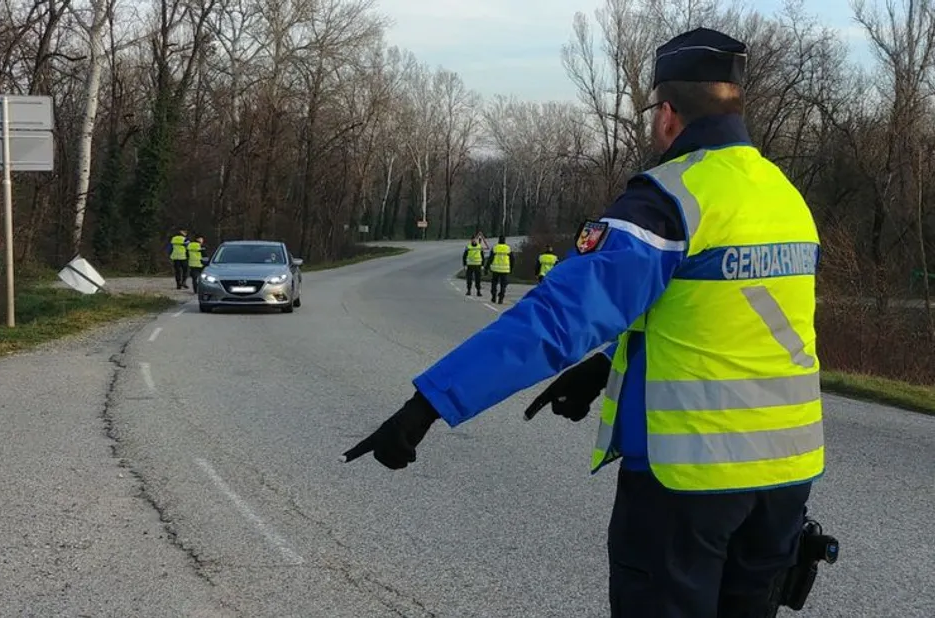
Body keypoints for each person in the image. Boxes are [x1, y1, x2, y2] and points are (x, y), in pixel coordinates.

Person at [343, 27, 823, 618]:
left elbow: (557, 319)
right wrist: (605, 366)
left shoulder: (671, 198)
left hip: (689, 483)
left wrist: (428, 405)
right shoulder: (784, 196)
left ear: (667, 115)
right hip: (786, 479)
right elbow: (724, 318)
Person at [487, 236, 514, 304]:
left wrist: (486, 267)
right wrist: (511, 268)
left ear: (498, 240)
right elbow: (512, 259)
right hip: (505, 270)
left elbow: (490, 259)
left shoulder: (495, 248)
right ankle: (501, 299)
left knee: (494, 283)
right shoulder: (508, 248)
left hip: (495, 269)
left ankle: (493, 296)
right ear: (505, 240)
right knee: (503, 285)